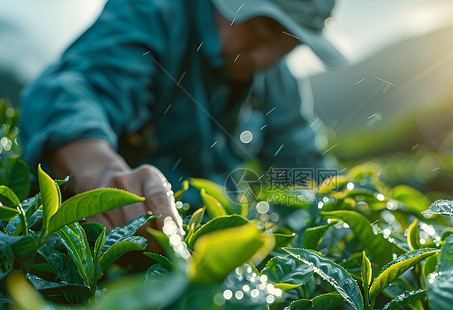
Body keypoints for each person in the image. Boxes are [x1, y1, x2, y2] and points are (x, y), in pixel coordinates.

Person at [19, 0, 345, 234]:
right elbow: (79, 88)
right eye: (262, 30)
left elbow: (305, 167)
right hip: (118, 239)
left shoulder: (276, 79)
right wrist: (101, 174)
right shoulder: (154, 13)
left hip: (205, 243)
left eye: (288, 45)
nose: (265, 58)